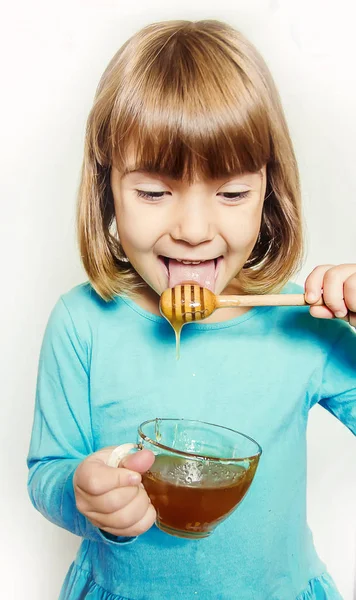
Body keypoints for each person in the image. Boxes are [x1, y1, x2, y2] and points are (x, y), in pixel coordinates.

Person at [27, 19, 356, 600]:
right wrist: (84, 494)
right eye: (154, 193)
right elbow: (48, 470)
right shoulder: (81, 324)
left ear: (269, 191)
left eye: (231, 194)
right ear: (107, 189)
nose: (194, 231)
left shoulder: (305, 323)